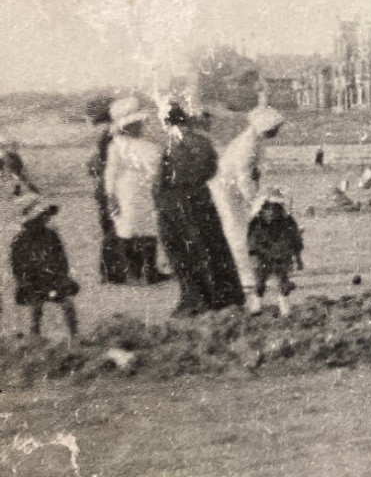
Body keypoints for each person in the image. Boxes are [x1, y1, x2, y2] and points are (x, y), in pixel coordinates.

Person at [156, 99, 244, 316]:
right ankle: (211, 296)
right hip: (186, 201)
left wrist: (177, 187)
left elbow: (203, 171)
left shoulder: (188, 143)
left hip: (185, 202)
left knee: (193, 249)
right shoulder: (189, 143)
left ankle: (203, 299)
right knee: (200, 248)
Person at [209, 105, 285, 297]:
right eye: (275, 128)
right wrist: (254, 201)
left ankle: (250, 272)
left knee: (243, 229)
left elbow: (255, 171)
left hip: (235, 189)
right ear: (265, 127)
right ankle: (244, 278)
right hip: (227, 190)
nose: (277, 131)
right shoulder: (247, 144)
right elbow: (243, 177)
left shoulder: (255, 140)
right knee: (237, 231)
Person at [102, 96, 165, 284]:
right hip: (130, 189)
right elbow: (111, 172)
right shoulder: (121, 146)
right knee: (131, 228)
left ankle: (147, 270)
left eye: (139, 123)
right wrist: (111, 195)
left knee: (145, 228)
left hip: (141, 189)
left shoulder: (146, 143)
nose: (139, 126)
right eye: (135, 124)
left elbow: (157, 168)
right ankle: (136, 272)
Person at [9, 194, 79, 339]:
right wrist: (25, 282)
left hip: (54, 279)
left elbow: (61, 259)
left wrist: (62, 276)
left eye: (47, 215)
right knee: (36, 307)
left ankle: (75, 335)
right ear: (33, 220)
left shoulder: (52, 235)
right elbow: (17, 266)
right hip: (33, 282)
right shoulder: (20, 241)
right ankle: (35, 335)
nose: (47, 219)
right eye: (43, 216)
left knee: (68, 304)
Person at [83, 101, 130, 285]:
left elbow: (94, 164)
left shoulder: (104, 134)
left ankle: (113, 272)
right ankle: (113, 272)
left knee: (110, 226)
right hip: (111, 185)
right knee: (114, 227)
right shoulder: (111, 134)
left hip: (103, 184)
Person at [245, 188, 303, 317]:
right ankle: (257, 305)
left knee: (284, 281)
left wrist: (298, 259)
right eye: (269, 208)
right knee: (260, 281)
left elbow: (295, 240)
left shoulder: (287, 221)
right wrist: (259, 256)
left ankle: (284, 307)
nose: (272, 211)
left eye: (276, 207)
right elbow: (252, 243)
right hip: (263, 255)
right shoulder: (256, 223)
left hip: (281, 255)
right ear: (263, 208)